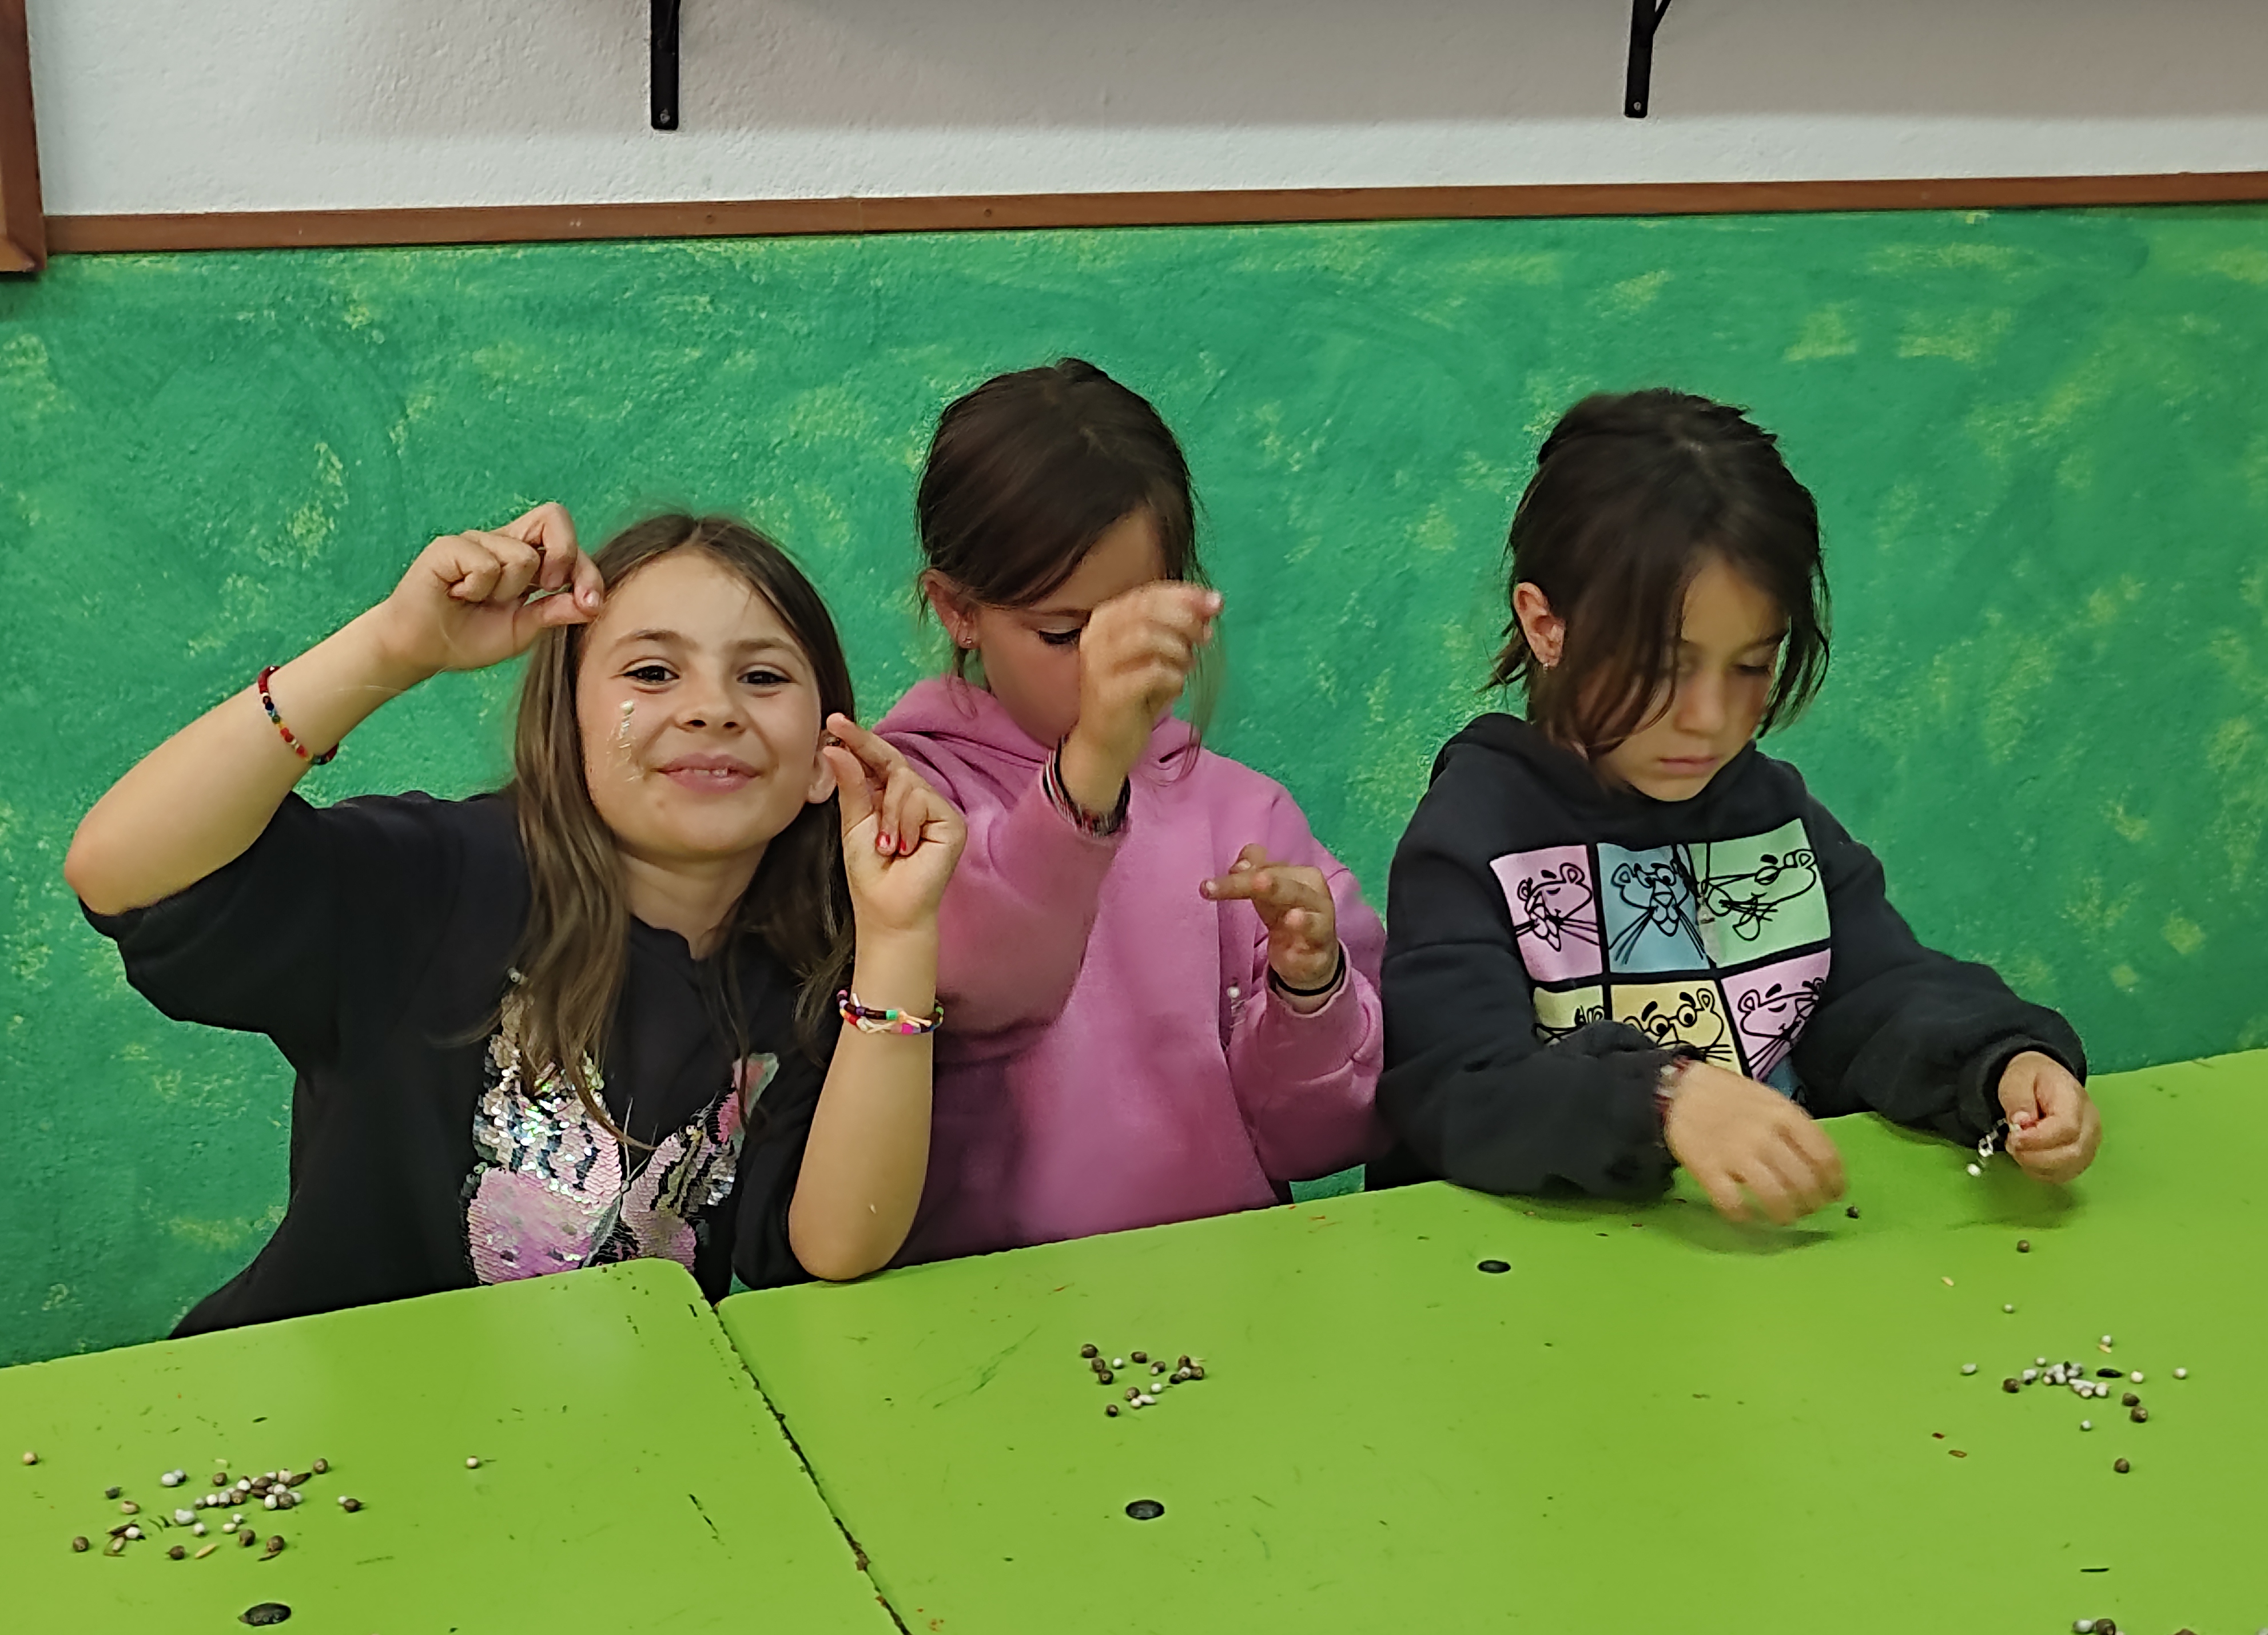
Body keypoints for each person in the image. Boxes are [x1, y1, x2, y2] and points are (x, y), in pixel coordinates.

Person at [66, 506, 962, 1332]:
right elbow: (120, 872)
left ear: (826, 757)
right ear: (566, 723)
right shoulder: (437, 880)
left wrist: (898, 934)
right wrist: (391, 648)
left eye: (762, 678)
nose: (711, 709)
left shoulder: (819, 975)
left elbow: (839, 1244)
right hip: (312, 1411)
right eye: (653, 673)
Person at [1375, 390, 2101, 1222]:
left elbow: (1881, 993)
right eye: (1665, 666)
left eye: (1752, 666)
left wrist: (2004, 1063)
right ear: (1547, 626)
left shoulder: (1775, 814)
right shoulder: (1472, 837)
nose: (1711, 719)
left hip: (1766, 1270)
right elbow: (1456, 1093)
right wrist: (1663, 1097)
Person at [876, 359, 1386, 1262]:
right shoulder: (911, 795)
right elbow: (983, 981)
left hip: (1224, 1290)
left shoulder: (1246, 816)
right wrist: (1092, 766)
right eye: (1065, 634)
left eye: (1138, 629)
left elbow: (1321, 1141)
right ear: (957, 611)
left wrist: (1313, 994)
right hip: (981, 1308)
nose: (1107, 669)